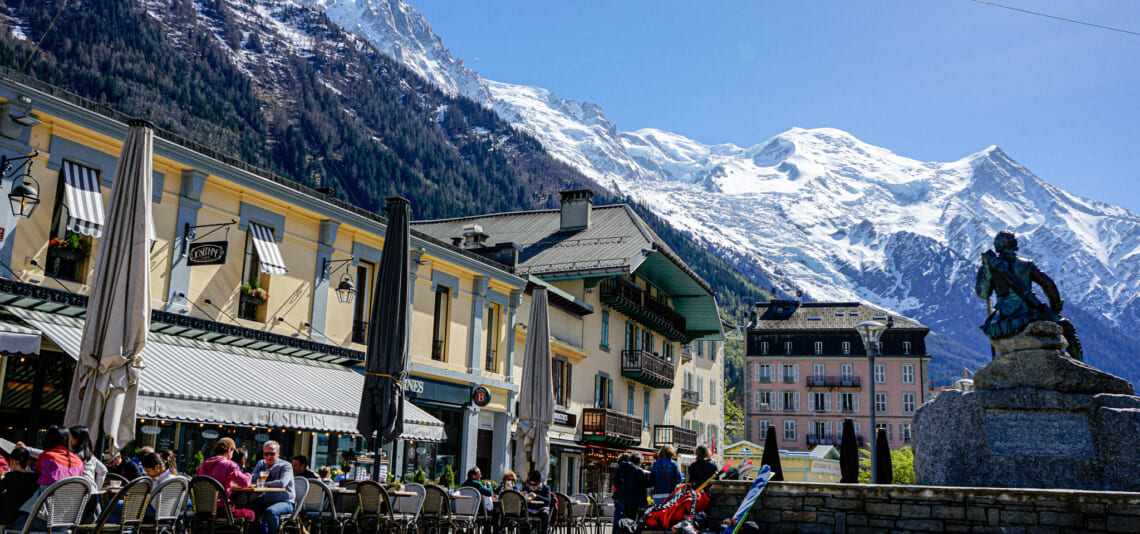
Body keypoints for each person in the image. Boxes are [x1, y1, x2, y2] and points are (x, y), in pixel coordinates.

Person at [975, 229, 1082, 360]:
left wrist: (985, 270)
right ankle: (1079, 362)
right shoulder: (1026, 264)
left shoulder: (990, 267)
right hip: (1030, 314)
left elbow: (983, 293)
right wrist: (1055, 308)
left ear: (997, 247)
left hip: (1005, 318)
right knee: (1066, 327)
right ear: (1014, 245)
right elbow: (1048, 284)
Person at [7, 426, 84, 532]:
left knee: (8, 523)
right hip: (67, 523)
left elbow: (35, 478)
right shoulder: (79, 462)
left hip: (42, 520)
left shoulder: (46, 457)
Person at [197, 438, 255, 523]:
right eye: (233, 452)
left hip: (202, 511)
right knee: (251, 514)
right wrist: (248, 475)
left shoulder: (203, 465)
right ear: (229, 449)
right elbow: (245, 483)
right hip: (221, 510)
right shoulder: (229, 465)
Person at [248, 441, 295, 534]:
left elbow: (282, 483)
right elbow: (251, 478)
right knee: (250, 508)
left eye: (272, 454)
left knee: (271, 511)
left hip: (285, 502)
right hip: (268, 500)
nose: (269, 457)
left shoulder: (286, 466)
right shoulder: (262, 463)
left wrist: (263, 483)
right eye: (266, 454)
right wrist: (264, 473)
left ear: (278, 453)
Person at [0, 447, 38, 528]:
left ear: (12, 461)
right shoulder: (34, 478)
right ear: (28, 462)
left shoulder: (11, 477)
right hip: (26, 519)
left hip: (8, 518)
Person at [611, 452, 649, 524]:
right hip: (636, 499)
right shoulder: (639, 471)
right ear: (638, 462)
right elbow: (646, 484)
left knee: (626, 518)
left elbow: (616, 483)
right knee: (633, 519)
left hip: (623, 498)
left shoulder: (621, 469)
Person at [522, 470, 551, 534]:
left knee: (545, 515)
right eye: (531, 484)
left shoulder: (545, 488)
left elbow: (548, 501)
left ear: (539, 483)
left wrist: (536, 496)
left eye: (534, 484)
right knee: (522, 514)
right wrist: (522, 495)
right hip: (530, 509)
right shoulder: (527, 488)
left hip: (541, 509)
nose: (532, 486)